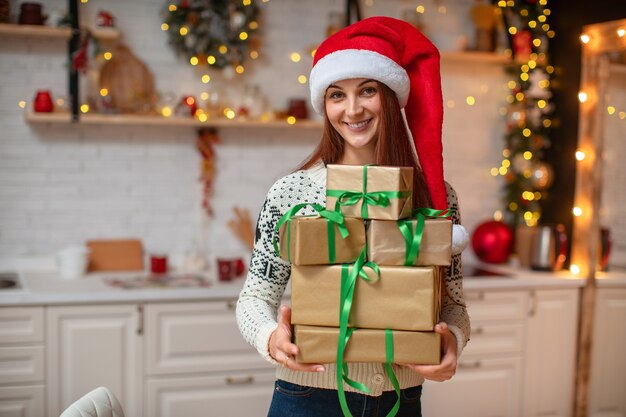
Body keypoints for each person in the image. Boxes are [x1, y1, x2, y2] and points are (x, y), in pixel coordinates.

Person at [236, 16, 470, 417]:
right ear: (324, 105)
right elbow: (255, 296)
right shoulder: (293, 193)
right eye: (336, 95)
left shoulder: (434, 196)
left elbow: (454, 305)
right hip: (309, 397)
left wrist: (453, 344)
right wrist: (271, 337)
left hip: (400, 400)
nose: (353, 109)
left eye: (367, 91)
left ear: (391, 98)